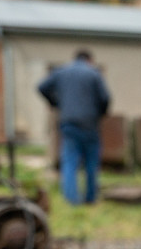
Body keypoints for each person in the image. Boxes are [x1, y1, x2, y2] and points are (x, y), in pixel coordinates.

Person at [38, 49, 110, 204]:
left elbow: (42, 87)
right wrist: (100, 113)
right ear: (89, 60)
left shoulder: (62, 71)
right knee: (91, 162)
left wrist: (55, 103)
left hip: (69, 123)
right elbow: (105, 98)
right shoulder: (93, 73)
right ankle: (90, 198)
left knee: (70, 161)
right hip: (90, 124)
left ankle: (72, 199)